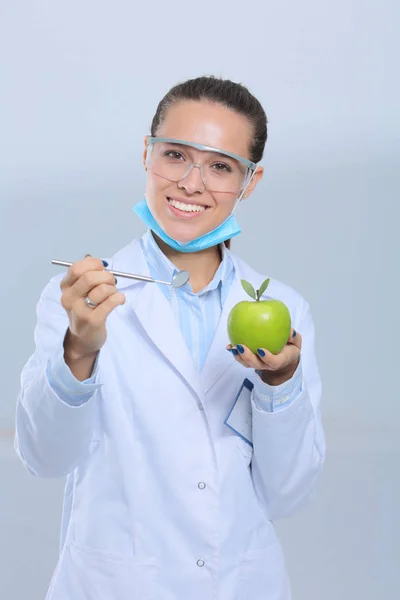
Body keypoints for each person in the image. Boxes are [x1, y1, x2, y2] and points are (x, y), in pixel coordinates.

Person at [14, 75, 325, 600]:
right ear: (146, 154)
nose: (191, 183)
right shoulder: (78, 299)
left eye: (221, 166)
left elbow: (287, 493)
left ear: (251, 180)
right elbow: (44, 458)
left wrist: (280, 383)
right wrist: (79, 350)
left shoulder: (287, 311)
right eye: (176, 155)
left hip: (239, 585)